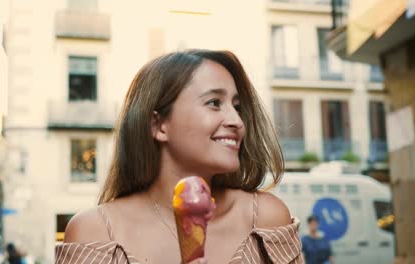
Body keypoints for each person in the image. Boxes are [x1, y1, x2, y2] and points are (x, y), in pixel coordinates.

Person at [56, 49, 303, 264]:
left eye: (237, 107)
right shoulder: (94, 232)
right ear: (159, 125)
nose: (237, 121)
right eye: (214, 103)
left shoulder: (265, 219)